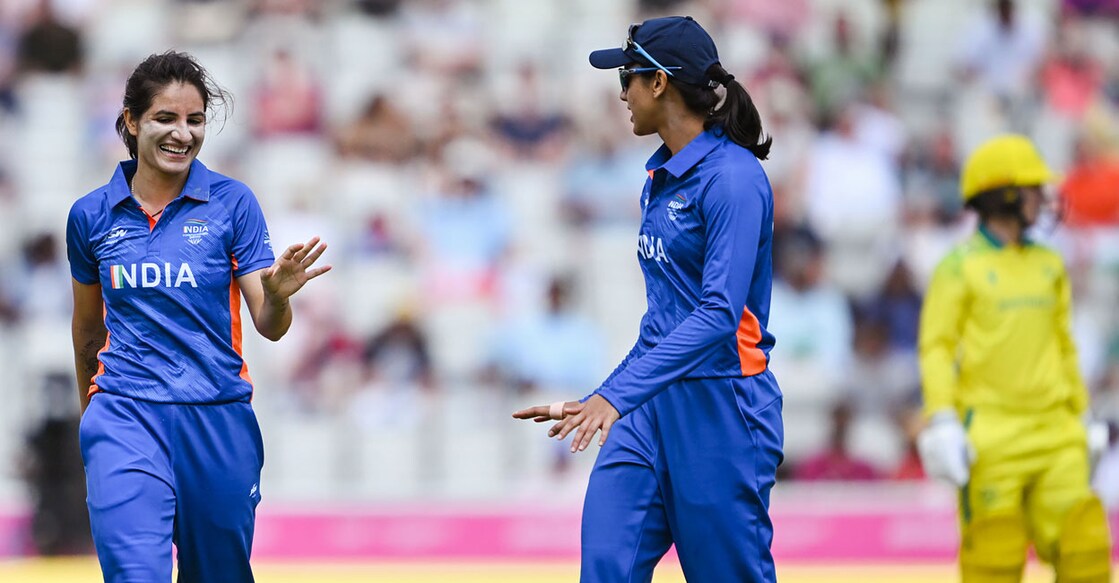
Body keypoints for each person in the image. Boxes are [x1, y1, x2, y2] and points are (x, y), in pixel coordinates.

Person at [513, 16, 783, 582]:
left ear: (659, 82)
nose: (621, 95)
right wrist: (607, 396)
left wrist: (615, 397)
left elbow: (717, 315)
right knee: (606, 564)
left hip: (721, 408)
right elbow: (664, 318)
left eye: (627, 80)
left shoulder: (733, 178)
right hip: (647, 408)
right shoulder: (658, 177)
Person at [66, 51, 330, 582]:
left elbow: (270, 325)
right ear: (131, 121)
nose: (182, 134)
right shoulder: (90, 216)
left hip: (217, 415)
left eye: (195, 119)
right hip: (125, 414)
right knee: (135, 574)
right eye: (166, 118)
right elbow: (88, 329)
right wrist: (92, 425)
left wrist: (277, 295)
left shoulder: (233, 203)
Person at [916, 134, 1112, 582]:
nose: (1044, 199)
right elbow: (936, 347)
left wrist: (1082, 415)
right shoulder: (957, 267)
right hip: (990, 436)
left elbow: (1064, 345)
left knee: (1085, 549)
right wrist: (943, 418)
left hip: (1057, 432)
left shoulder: (1050, 264)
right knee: (994, 558)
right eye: (1033, 189)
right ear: (1002, 194)